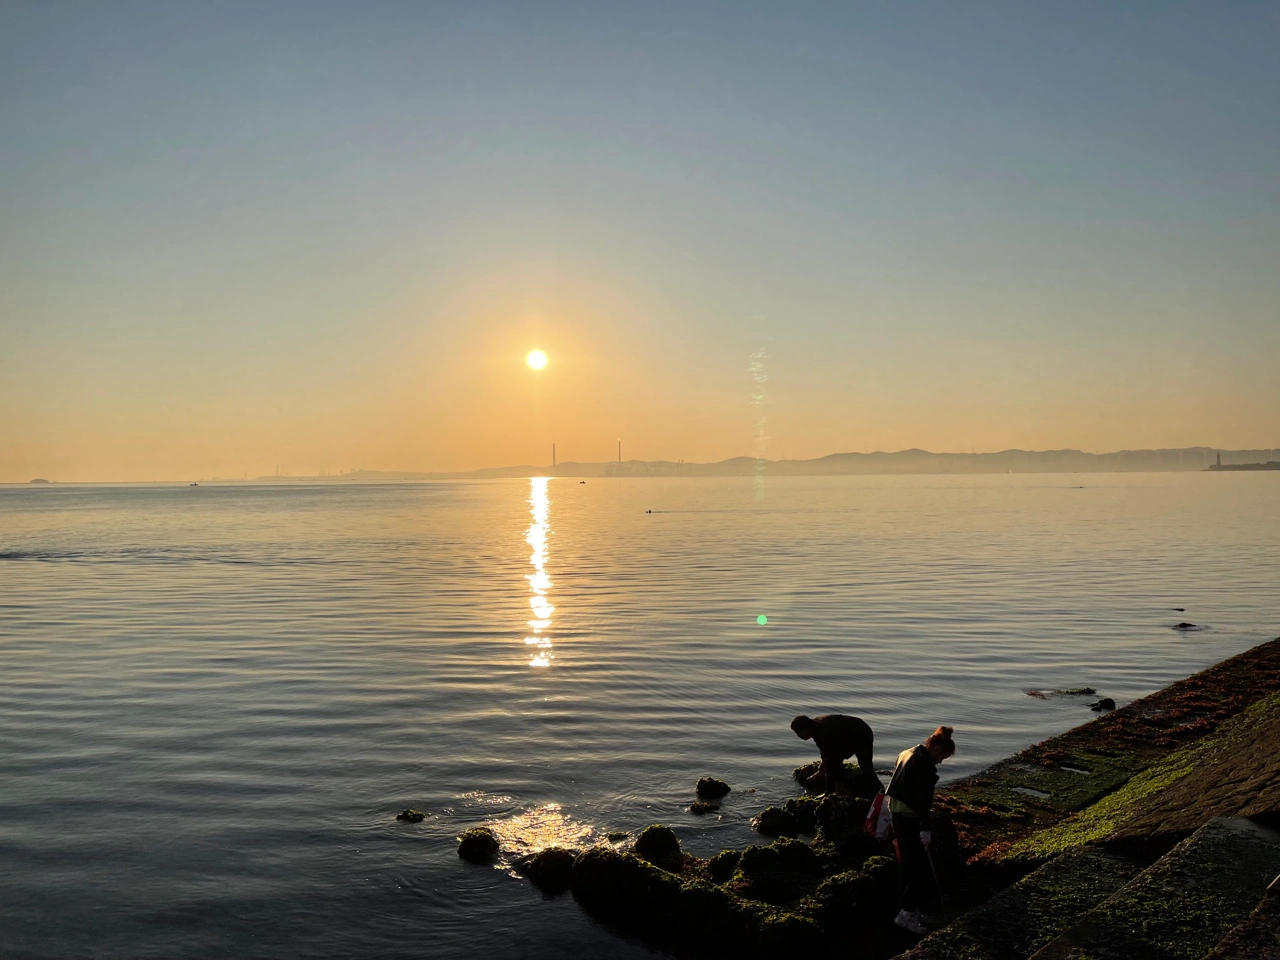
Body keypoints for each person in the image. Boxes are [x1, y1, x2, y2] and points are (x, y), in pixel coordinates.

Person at [886, 725, 956, 935]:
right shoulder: (923, 763)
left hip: (896, 813)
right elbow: (921, 801)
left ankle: (910, 909)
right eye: (943, 756)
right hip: (909, 817)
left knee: (908, 864)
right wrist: (924, 828)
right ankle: (905, 914)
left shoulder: (907, 752)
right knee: (917, 867)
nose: (941, 761)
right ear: (937, 750)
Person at [790, 714, 875, 795]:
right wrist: (823, 763)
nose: (798, 736)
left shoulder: (822, 732)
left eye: (799, 732)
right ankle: (829, 792)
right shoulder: (815, 728)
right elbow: (825, 750)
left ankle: (880, 793)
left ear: (806, 729)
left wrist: (839, 786)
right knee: (830, 762)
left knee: (866, 767)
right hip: (845, 734)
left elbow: (836, 759)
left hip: (861, 733)